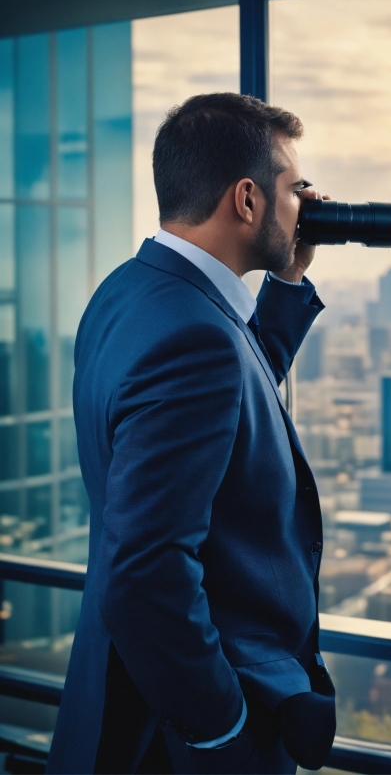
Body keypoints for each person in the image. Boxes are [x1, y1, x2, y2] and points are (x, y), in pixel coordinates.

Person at [46, 92, 336, 775]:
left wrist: (290, 284)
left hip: (120, 704)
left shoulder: (131, 293)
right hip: (176, 741)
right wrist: (225, 733)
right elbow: (147, 570)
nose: (305, 207)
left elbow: (219, 404)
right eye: (294, 190)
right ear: (246, 200)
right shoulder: (195, 339)